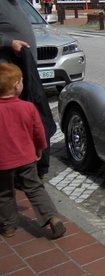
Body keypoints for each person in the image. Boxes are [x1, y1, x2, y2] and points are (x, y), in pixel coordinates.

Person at [0, 0, 55, 179]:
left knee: (29, 120)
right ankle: (14, 173)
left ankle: (26, 167)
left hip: (23, 73)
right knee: (12, 125)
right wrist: (8, 43)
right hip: (6, 77)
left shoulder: (15, 1)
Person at [0, 63, 66, 239]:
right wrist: (39, 149)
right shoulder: (28, 107)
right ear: (16, 86)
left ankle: (8, 226)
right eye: (21, 81)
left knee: (4, 192)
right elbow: (38, 131)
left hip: (3, 162)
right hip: (26, 157)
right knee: (35, 187)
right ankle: (52, 218)